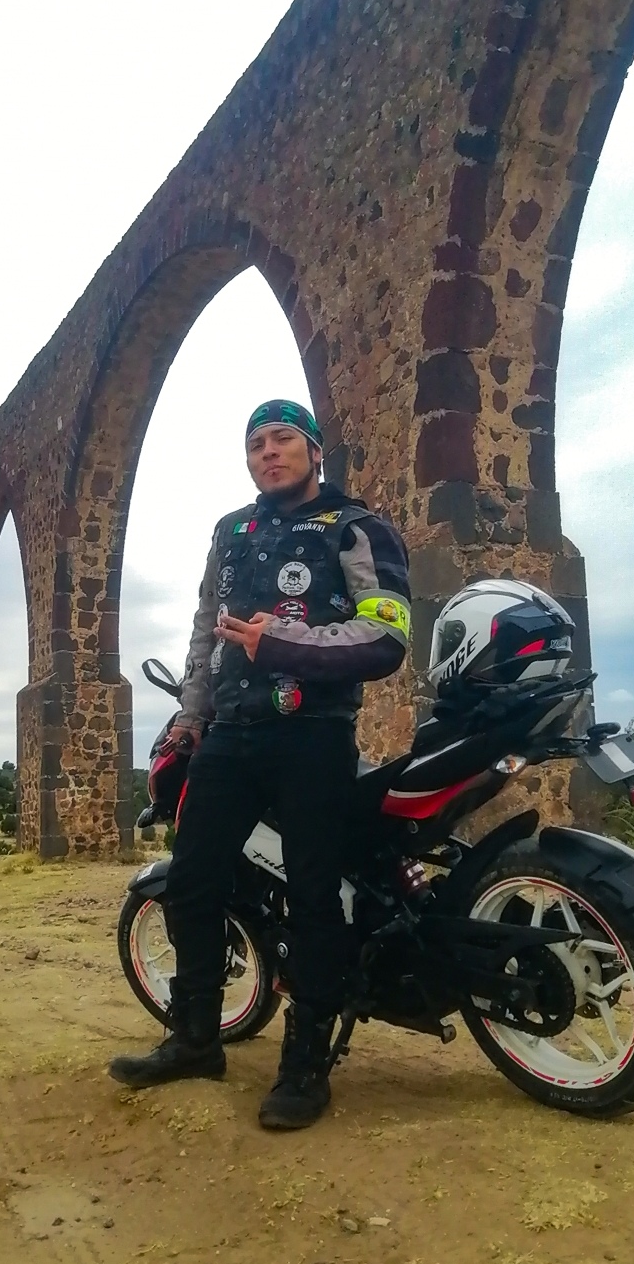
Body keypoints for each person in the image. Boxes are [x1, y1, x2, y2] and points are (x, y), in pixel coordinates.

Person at [109, 399, 411, 1129]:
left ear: (312, 448)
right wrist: (188, 717)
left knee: (314, 898)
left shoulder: (354, 526)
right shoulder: (232, 531)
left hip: (312, 736)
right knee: (192, 883)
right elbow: (204, 637)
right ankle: (194, 1036)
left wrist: (278, 644)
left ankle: (305, 1066)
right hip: (230, 738)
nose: (267, 454)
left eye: (281, 440)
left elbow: (387, 633)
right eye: (255, 445)